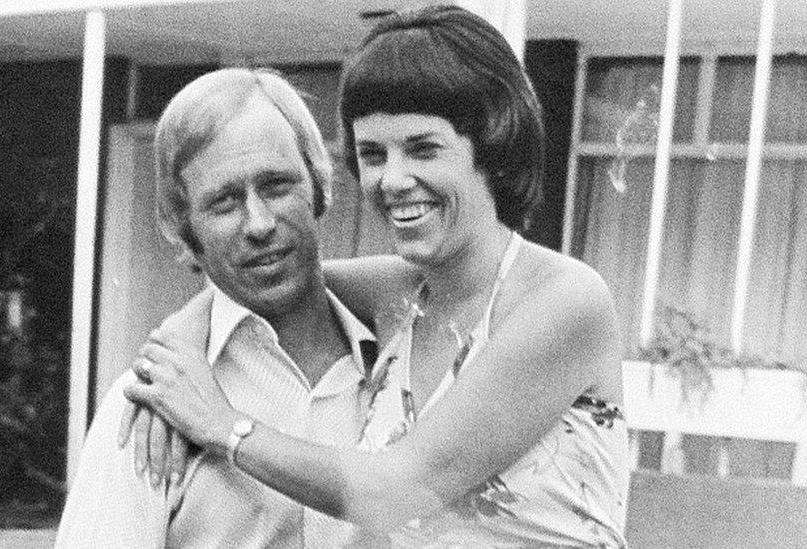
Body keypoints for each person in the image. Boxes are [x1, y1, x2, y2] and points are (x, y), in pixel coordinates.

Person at [123, 5, 630, 547]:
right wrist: (175, 353)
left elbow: (397, 490)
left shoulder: (565, 301)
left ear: (492, 143)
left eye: (422, 148)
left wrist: (219, 424)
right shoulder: (401, 294)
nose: (393, 180)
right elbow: (263, 277)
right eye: (372, 154)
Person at [54, 67, 379, 548]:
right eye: (224, 201)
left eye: (276, 185)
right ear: (186, 231)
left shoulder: (405, 363)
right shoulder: (155, 402)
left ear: (318, 187)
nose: (259, 223)